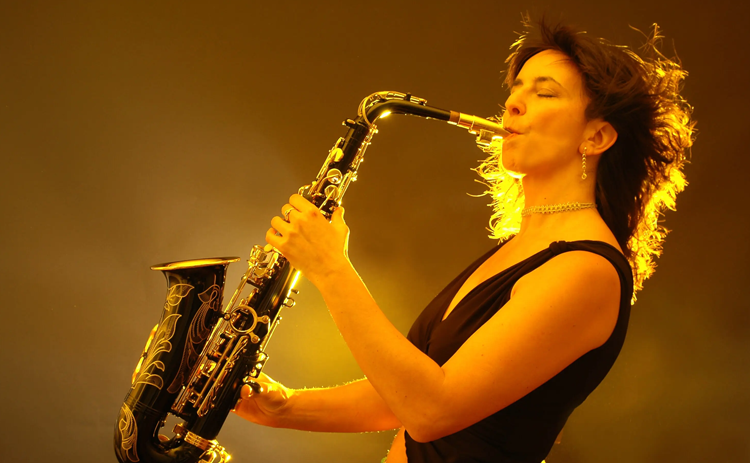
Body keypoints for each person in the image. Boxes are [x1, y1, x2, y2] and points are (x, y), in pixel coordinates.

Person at [233, 18, 694, 463]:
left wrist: (331, 268)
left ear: (596, 136)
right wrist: (283, 408)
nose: (513, 104)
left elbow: (431, 411)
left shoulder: (587, 270)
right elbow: (404, 395)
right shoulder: (521, 248)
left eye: (544, 92)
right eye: (516, 88)